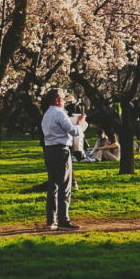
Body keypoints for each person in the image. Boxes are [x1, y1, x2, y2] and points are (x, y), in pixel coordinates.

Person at [41, 88, 84, 230]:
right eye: (63, 99)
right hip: (61, 150)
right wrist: (80, 125)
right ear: (58, 100)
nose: (65, 102)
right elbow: (72, 130)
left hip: (49, 150)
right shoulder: (60, 114)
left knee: (52, 185)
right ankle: (63, 220)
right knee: (65, 186)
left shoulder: (46, 114)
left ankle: (51, 220)